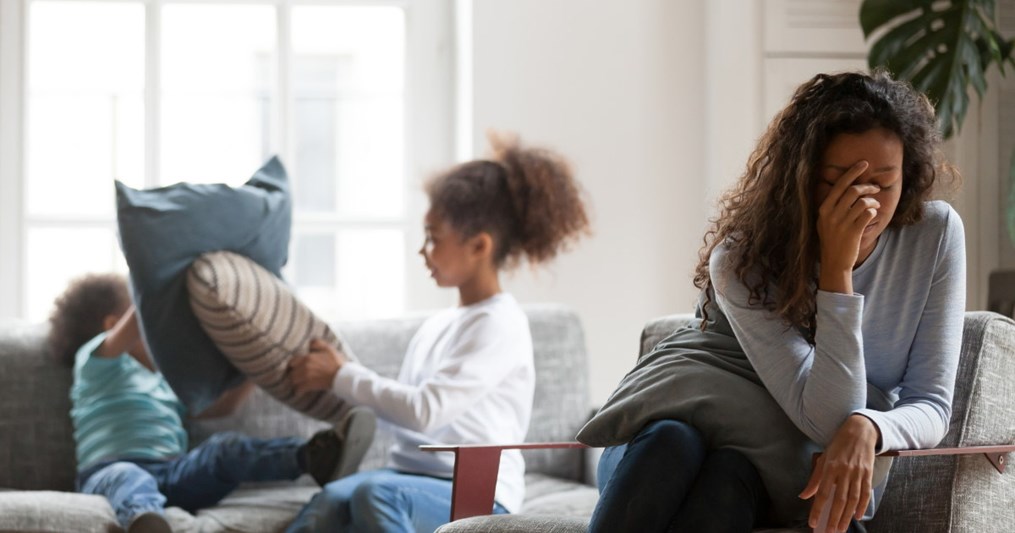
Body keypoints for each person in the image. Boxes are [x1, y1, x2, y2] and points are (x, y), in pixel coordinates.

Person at [578, 70, 965, 532]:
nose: (864, 203)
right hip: (657, 446)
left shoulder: (935, 234)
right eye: (837, 182)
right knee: (671, 441)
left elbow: (923, 406)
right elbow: (825, 420)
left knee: (728, 475)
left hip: (765, 465)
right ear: (800, 180)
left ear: (910, 175)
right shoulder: (742, 260)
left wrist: (870, 426)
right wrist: (838, 273)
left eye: (883, 183)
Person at [284, 132, 591, 533]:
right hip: (410, 477)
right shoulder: (438, 325)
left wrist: (340, 375)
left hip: (476, 493)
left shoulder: (499, 324)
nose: (422, 250)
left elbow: (424, 412)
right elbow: (406, 416)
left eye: (432, 237)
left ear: (479, 246)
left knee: (375, 494)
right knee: (329, 502)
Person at [48, 273, 374, 533]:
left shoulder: (166, 379)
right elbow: (142, 315)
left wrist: (253, 368)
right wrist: (160, 277)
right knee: (129, 478)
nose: (162, 338)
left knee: (224, 450)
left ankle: (314, 456)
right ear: (111, 326)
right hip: (109, 470)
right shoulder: (97, 363)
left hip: (175, 472)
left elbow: (216, 409)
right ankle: (143, 520)